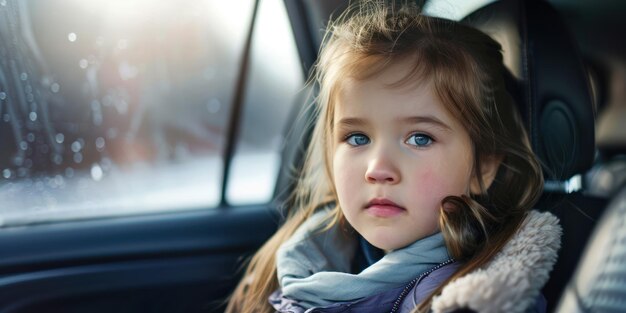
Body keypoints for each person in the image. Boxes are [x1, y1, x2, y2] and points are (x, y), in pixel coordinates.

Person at [226, 1, 561, 312]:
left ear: (483, 167)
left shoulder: (476, 297)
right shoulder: (297, 259)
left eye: (419, 138)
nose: (378, 169)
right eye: (357, 138)